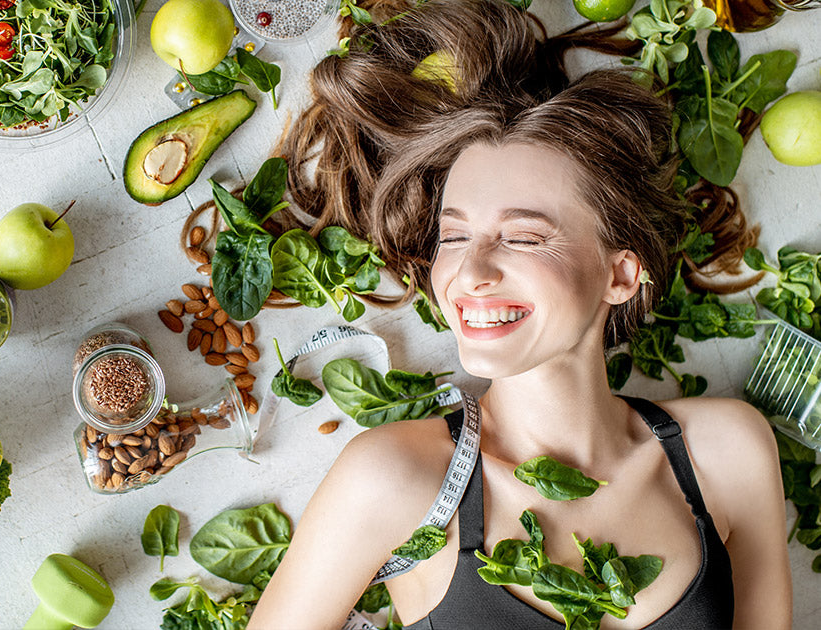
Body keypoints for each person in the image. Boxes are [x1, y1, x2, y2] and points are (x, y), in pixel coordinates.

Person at [248, 0, 792, 628]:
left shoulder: (728, 451)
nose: (471, 273)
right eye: (453, 238)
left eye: (525, 237)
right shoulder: (393, 478)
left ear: (619, 274)